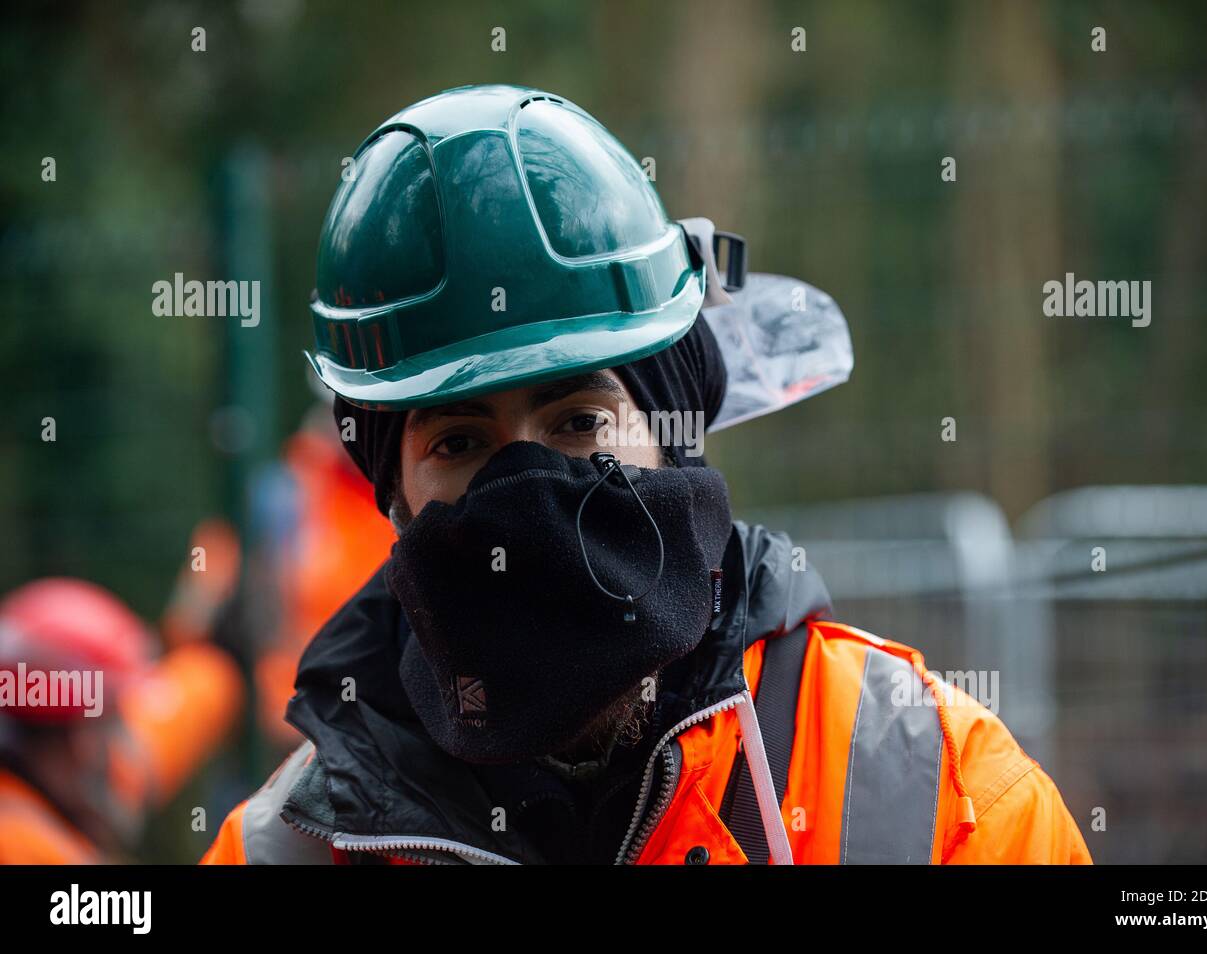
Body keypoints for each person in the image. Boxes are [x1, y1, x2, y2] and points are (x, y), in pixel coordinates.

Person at [202, 84, 1091, 865]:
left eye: (581, 421)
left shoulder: (941, 797)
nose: (530, 488)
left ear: (677, 437)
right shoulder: (285, 849)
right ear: (389, 493)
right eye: (459, 443)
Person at [0, 578, 243, 863]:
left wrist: (213, 654)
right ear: (81, 739)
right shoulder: (30, 846)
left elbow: (182, 710)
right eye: (115, 722)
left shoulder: (62, 783)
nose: (123, 742)